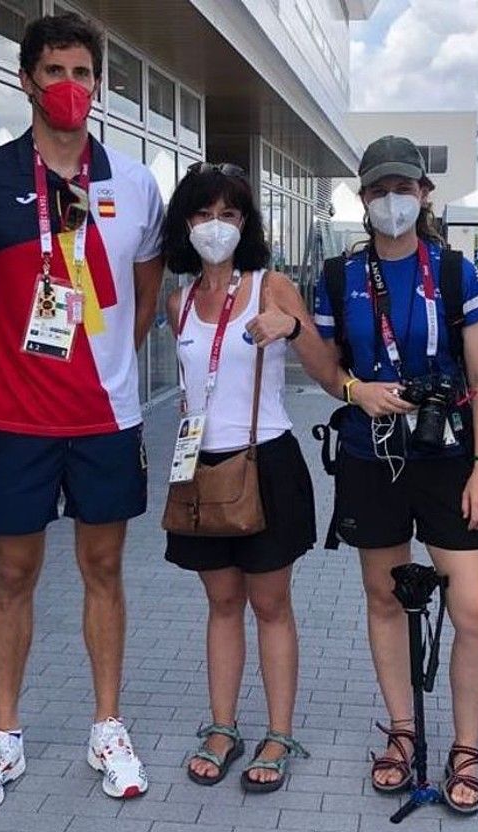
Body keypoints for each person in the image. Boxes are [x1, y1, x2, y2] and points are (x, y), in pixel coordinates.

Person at [0, 12, 165, 813]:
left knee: (103, 569)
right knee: (13, 575)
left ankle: (107, 724)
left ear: (98, 84)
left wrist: (106, 361)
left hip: (105, 418)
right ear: (26, 79)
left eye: (82, 73)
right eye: (56, 71)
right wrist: (8, 358)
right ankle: (4, 735)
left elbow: (146, 293)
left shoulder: (134, 183)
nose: (70, 87)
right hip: (13, 417)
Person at [313, 136, 478, 814]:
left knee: (477, 610)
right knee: (385, 597)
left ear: (424, 194)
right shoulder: (338, 276)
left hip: (450, 458)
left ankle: (467, 744)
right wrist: (352, 391)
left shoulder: (455, 272)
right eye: (377, 189)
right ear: (362, 198)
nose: (391, 200)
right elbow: (323, 362)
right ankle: (402, 729)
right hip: (372, 455)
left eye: (404, 188)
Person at [161, 162, 336, 793]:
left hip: (266, 464)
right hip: (202, 469)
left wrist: (291, 326)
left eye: (230, 215)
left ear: (246, 223)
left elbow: (323, 366)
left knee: (270, 603)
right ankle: (223, 725)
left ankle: (279, 732)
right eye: (204, 214)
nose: (216, 226)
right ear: (186, 223)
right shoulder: (179, 302)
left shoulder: (272, 285)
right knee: (221, 602)